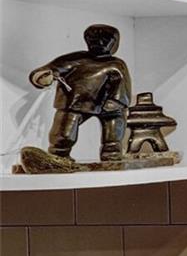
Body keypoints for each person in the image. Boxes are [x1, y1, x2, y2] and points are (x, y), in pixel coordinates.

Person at [28, 24, 133, 161]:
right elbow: (48, 70)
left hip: (108, 104)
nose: (99, 43)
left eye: (105, 40)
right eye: (93, 39)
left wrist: (116, 102)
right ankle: (59, 155)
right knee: (63, 134)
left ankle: (112, 155)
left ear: (115, 43)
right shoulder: (73, 59)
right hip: (74, 102)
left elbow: (122, 86)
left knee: (113, 131)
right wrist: (42, 77)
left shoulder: (116, 65)